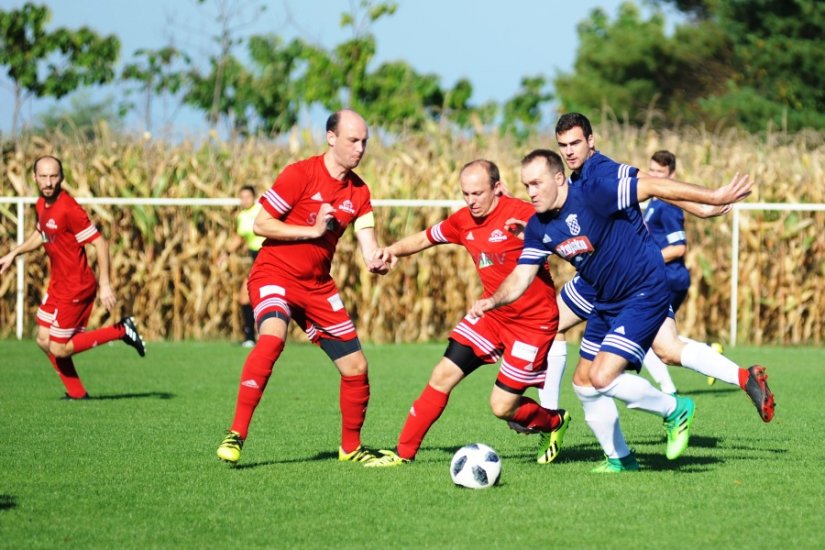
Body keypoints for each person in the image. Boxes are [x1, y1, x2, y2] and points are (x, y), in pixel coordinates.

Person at [470, 149, 760, 472]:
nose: (531, 192)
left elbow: (651, 186)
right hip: (605, 299)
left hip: (643, 289)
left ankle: (674, 408)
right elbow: (521, 276)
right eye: (526, 186)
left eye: (536, 183)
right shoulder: (539, 227)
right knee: (583, 382)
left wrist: (711, 198)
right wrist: (493, 300)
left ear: (558, 178)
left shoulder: (595, 193)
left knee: (604, 375)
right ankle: (620, 458)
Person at [538, 114, 775, 435]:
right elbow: (652, 189)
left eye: (575, 143)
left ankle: (550, 422)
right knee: (667, 349)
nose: (568, 151)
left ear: (591, 141)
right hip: (608, 277)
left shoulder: (601, 171)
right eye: (562, 145)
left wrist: (710, 199)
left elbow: (651, 183)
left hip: (625, 279)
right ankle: (745, 378)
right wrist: (700, 209)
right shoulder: (576, 177)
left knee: (550, 325)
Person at [364, 160, 570, 468]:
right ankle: (402, 454)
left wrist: (537, 232)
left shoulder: (525, 213)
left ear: (497, 188)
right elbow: (425, 238)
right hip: (491, 315)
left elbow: (566, 237)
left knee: (502, 407)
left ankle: (554, 422)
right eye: (466, 194)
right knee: (442, 375)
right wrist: (391, 251)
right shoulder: (463, 220)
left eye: (477, 193)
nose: (471, 201)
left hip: (533, 324)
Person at [216, 109, 390, 465]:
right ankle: (236, 434)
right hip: (274, 274)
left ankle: (351, 449)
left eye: (364, 142)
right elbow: (263, 224)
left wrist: (376, 258)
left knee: (356, 367)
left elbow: (367, 240)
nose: (360, 149)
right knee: (272, 338)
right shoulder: (300, 174)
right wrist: (310, 232)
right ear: (331, 138)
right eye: (352, 140)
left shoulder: (359, 192)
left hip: (317, 288)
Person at [0, 156, 146, 399]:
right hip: (58, 284)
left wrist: (106, 284)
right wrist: (14, 253)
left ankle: (121, 330)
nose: (48, 182)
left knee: (59, 347)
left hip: (77, 286)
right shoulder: (41, 204)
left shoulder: (69, 208)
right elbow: (41, 234)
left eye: (53, 176)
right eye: (43, 176)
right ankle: (77, 393)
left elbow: (100, 242)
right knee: (43, 339)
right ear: (34, 177)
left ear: (62, 178)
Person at [219, 185, 265, 347]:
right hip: (256, 258)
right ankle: (250, 338)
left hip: (267, 256)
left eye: (248, 197)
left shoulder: (262, 210)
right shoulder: (242, 216)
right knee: (245, 297)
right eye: (242, 197)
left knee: (249, 295)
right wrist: (225, 253)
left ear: (254, 197)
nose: (245, 200)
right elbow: (239, 238)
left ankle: (254, 337)